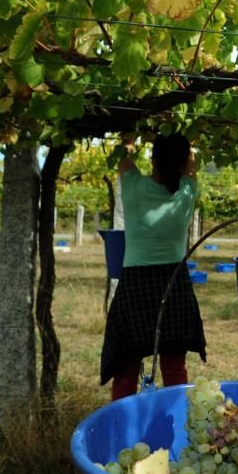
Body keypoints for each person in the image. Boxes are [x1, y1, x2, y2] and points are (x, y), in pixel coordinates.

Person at [100, 133, 207, 401]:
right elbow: (191, 164)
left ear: (153, 160)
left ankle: (122, 427)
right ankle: (174, 424)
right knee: (174, 366)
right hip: (174, 282)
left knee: (126, 365)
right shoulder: (187, 190)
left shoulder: (133, 186)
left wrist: (133, 136)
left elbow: (124, 157)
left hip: (136, 284)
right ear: (184, 163)